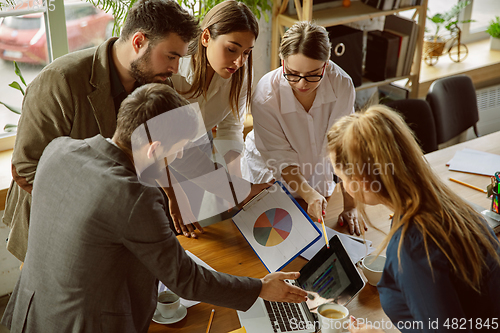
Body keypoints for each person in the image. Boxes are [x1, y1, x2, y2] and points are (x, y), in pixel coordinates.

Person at [0, 84, 307, 333]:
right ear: (154, 149)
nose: (182, 154)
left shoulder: (59, 149)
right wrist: (259, 288)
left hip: (29, 312)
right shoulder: (135, 197)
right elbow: (185, 278)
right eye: (179, 148)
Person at [2, 0, 199, 261]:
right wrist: (106, 209)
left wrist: (174, 193)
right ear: (139, 42)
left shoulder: (159, 82)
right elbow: (27, 169)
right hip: (51, 226)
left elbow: (159, 147)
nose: (175, 68)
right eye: (171, 56)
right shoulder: (60, 81)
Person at [326, 105, 500, 333]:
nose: (343, 187)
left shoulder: (414, 245)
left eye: (340, 178)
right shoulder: (447, 203)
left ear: (363, 181)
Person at [242, 21, 362, 234]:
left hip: (315, 174)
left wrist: (350, 205)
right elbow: (281, 159)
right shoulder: (265, 95)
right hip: (268, 175)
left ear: (327, 63)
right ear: (282, 62)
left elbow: (344, 149)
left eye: (313, 74)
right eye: (293, 73)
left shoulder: (342, 84)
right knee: (272, 241)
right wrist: (308, 193)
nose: (302, 84)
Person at [170, 0, 268, 238]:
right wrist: (174, 196)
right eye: (232, 49)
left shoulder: (241, 74)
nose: (239, 61)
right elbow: (159, 139)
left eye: (247, 52)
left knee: (201, 229)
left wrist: (235, 184)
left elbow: (230, 128)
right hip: (160, 150)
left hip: (197, 144)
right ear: (205, 38)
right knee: (169, 221)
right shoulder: (173, 69)